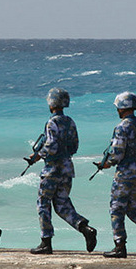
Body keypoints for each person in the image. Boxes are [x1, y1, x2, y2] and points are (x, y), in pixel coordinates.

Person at [91, 91, 136, 258]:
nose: (117, 110)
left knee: (116, 208)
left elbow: (117, 154)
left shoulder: (121, 127)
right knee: (133, 207)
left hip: (125, 172)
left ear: (123, 108)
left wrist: (106, 163)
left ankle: (119, 246)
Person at [25, 88, 96, 254]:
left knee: (43, 204)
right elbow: (74, 146)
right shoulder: (70, 122)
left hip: (52, 170)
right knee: (62, 205)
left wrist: (37, 155)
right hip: (67, 169)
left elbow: (50, 146)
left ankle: (46, 242)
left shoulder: (52, 123)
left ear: (51, 103)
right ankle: (85, 229)